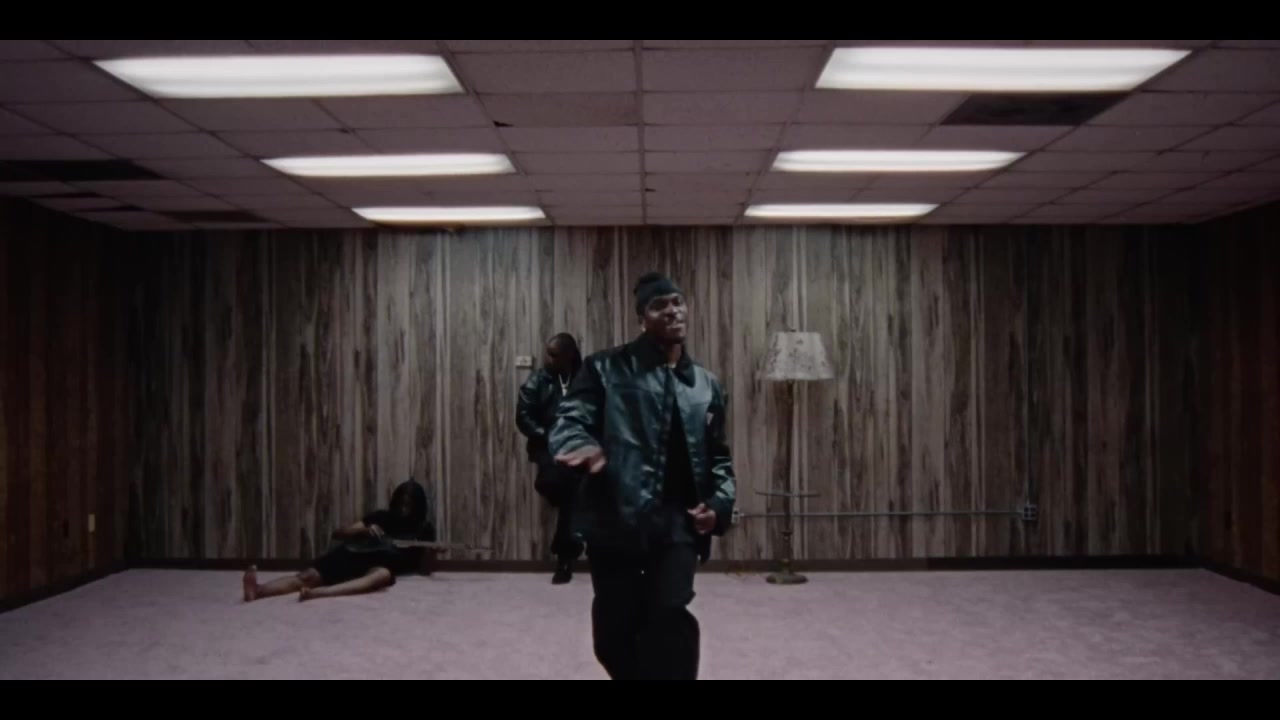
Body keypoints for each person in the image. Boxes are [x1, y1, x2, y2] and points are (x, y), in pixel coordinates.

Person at [550, 272, 736, 681]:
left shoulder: (706, 385)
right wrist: (582, 447)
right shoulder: (604, 369)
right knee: (613, 636)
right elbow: (569, 422)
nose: (672, 311)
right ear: (642, 319)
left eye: (677, 302)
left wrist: (719, 505)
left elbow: (719, 458)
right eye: (659, 305)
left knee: (668, 616)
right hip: (616, 520)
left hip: (677, 526)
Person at [242, 479, 435, 603]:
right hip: (354, 554)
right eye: (401, 503)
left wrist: (431, 552)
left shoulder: (424, 529)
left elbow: (424, 569)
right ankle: (258, 591)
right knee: (308, 576)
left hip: (380, 566)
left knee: (383, 575)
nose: (404, 509)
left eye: (409, 505)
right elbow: (339, 533)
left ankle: (319, 593)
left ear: (418, 506)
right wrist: (364, 531)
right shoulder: (381, 517)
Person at [517, 333, 586, 584]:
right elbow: (523, 417)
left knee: (572, 488)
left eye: (554, 355)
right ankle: (568, 551)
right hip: (547, 447)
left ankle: (564, 558)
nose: (549, 359)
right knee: (566, 487)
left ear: (570, 355)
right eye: (548, 353)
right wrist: (549, 435)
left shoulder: (586, 378)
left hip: (578, 446)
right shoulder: (538, 380)